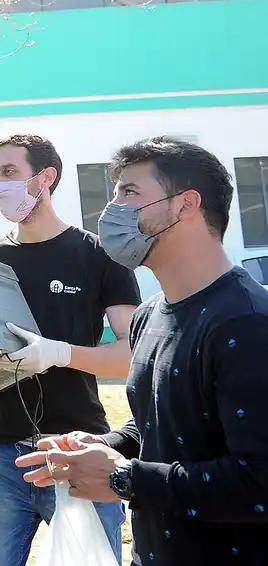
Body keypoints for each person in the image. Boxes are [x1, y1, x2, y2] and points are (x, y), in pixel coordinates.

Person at [17, 138, 268, 564]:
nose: (112, 209)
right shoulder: (149, 315)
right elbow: (165, 424)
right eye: (115, 193)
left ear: (187, 204)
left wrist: (123, 478)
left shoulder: (246, 324)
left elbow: (258, 482)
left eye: (130, 193)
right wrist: (103, 445)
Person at [0, 134, 140, 566]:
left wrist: (60, 353)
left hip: (76, 450)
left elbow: (133, 355)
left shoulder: (99, 255)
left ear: (45, 178)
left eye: (9, 173)